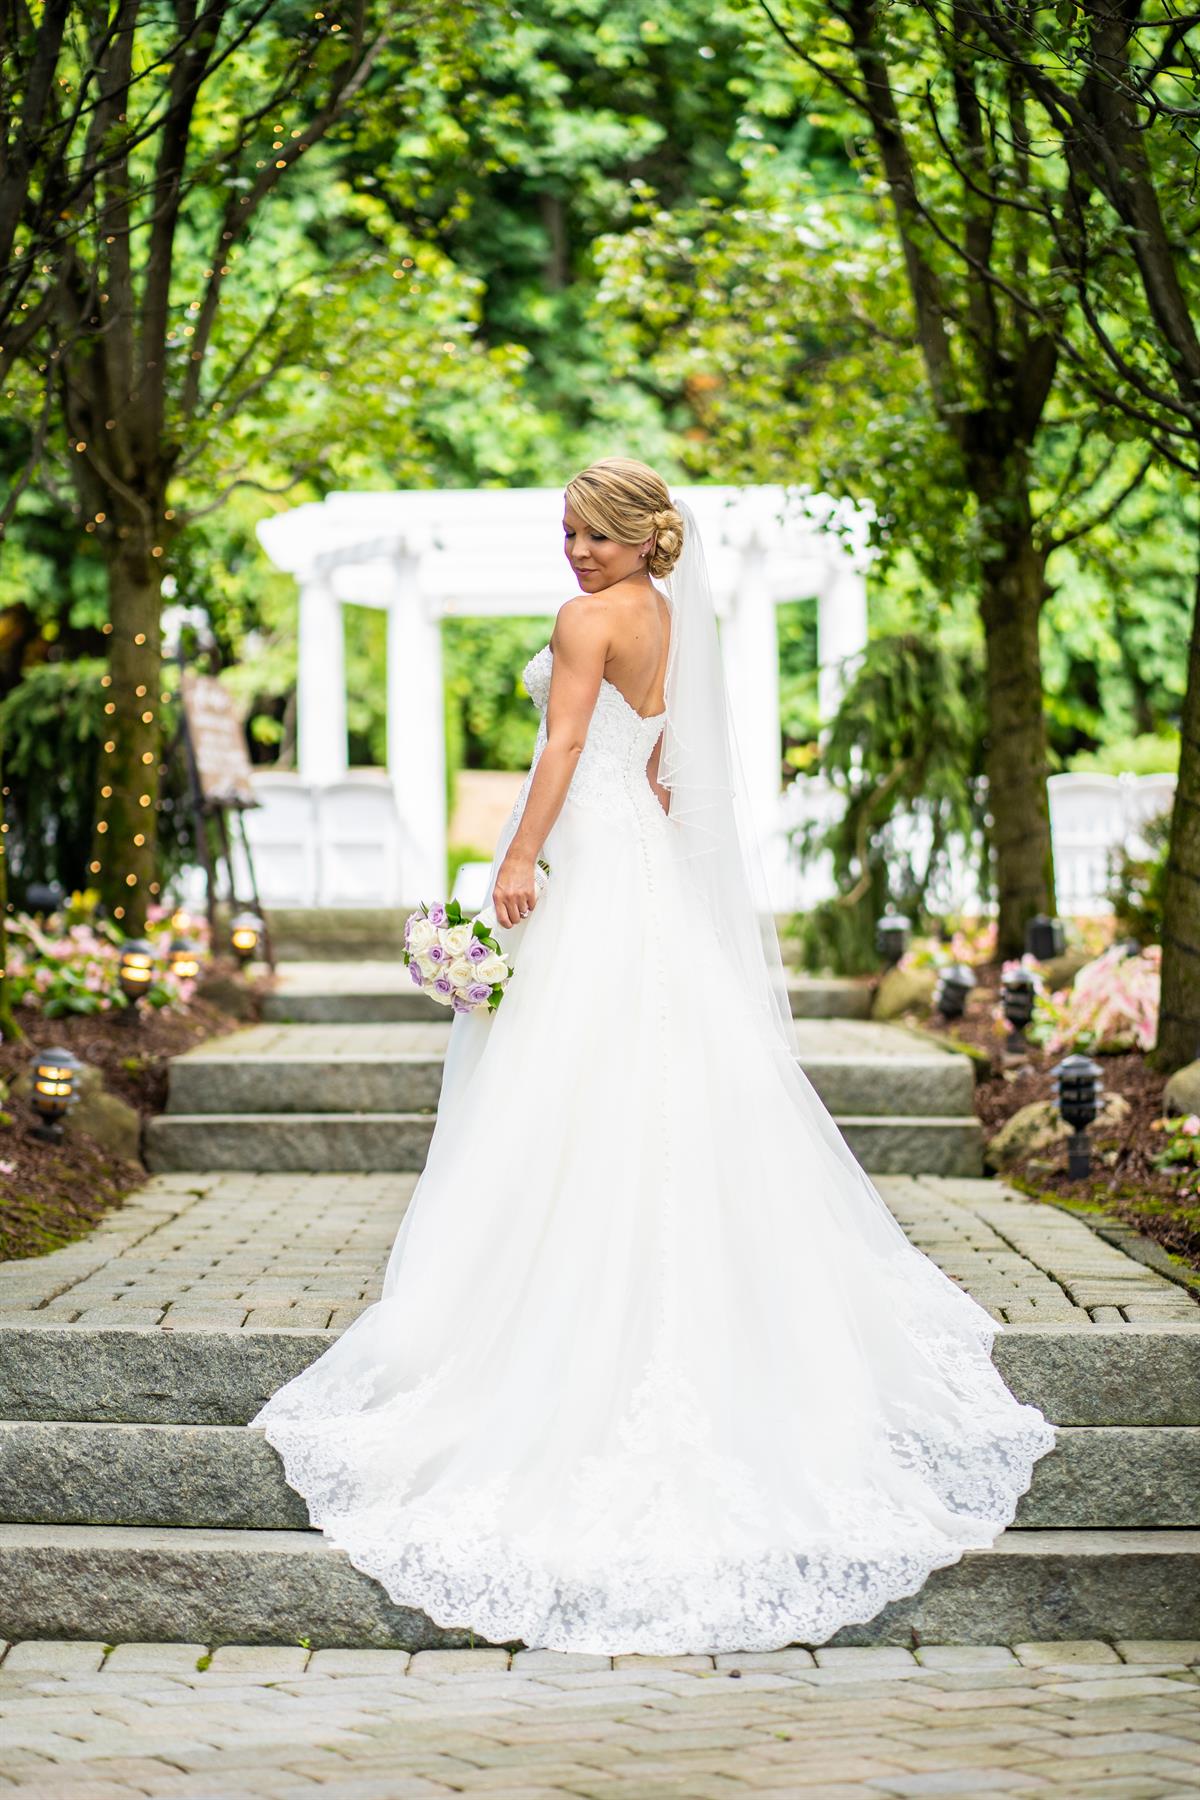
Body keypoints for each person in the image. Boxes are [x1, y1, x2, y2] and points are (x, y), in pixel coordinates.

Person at [249, 457, 1055, 1656]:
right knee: (650, 1076)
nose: (574, 550)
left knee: (571, 1084)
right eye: (567, 532)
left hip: (586, 862)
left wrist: (513, 862)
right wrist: (669, 885)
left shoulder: (585, 621)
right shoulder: (669, 617)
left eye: (593, 533)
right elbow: (670, 775)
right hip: (639, 867)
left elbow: (564, 748)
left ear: (639, 536)